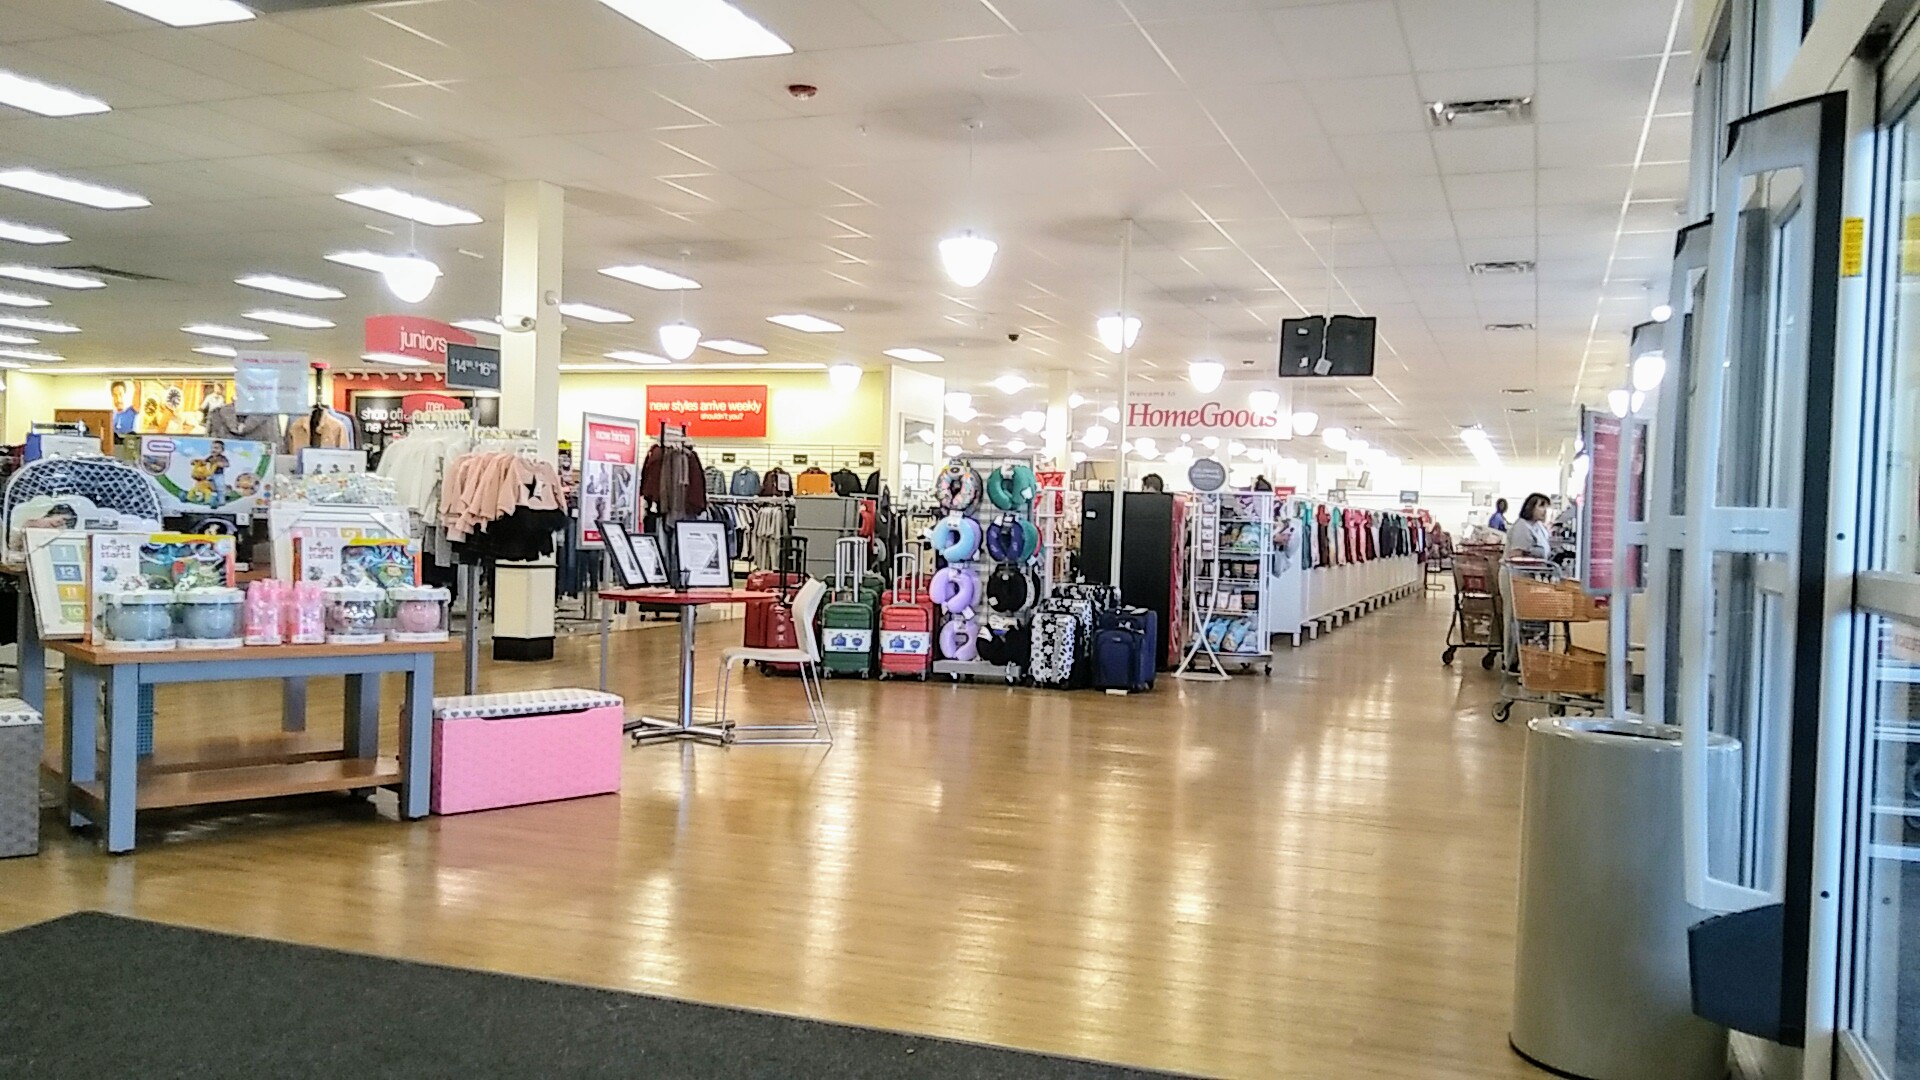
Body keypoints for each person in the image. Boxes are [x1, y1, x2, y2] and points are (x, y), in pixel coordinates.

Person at [1503, 493, 1552, 561]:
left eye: (1547, 507)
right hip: (1522, 567)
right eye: (1541, 506)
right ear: (1530, 507)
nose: (1545, 511)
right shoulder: (1521, 526)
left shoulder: (1540, 527)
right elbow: (1516, 556)